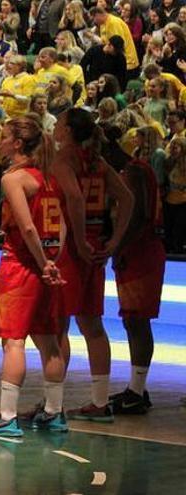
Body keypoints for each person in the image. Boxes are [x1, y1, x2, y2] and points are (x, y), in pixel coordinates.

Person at [0, 117, 68, 437]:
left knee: (13, 342)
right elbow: (62, 226)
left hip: (21, 266)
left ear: (18, 144)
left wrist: (41, 262)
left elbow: (26, 228)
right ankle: (54, 412)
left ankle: (6, 416)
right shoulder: (50, 178)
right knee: (48, 342)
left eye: (4, 136)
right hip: (47, 267)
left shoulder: (13, 178)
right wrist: (52, 262)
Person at [52, 108, 134, 423]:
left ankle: (53, 405)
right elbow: (126, 199)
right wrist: (113, 242)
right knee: (93, 326)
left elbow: (73, 198)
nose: (55, 127)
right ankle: (100, 402)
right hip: (98, 245)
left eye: (59, 123)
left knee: (58, 325)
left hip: (74, 248)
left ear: (69, 131)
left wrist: (80, 239)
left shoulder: (64, 161)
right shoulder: (98, 162)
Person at [108, 132, 167, 414]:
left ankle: (136, 391)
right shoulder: (134, 169)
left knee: (137, 321)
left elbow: (139, 215)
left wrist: (117, 247)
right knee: (133, 321)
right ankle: (137, 389)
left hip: (140, 251)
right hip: (140, 249)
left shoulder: (134, 171)